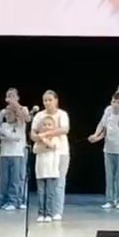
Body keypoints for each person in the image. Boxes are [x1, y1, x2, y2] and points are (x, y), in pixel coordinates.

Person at [31, 90, 71, 220]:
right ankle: (45, 211)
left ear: (56, 100)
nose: (47, 103)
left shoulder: (62, 114)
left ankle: (56, 211)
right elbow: (33, 133)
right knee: (44, 185)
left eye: (50, 100)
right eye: (45, 100)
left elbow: (64, 129)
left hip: (61, 151)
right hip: (44, 151)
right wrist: (38, 137)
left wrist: (46, 134)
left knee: (59, 182)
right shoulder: (39, 115)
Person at [0, 88, 32, 209]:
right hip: (4, 152)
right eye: (8, 96)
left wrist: (16, 106)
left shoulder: (23, 110)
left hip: (18, 152)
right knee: (3, 179)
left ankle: (15, 200)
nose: (10, 98)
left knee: (17, 178)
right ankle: (1, 200)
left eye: (13, 96)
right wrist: (2, 133)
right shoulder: (4, 112)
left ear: (18, 97)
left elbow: (27, 119)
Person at [33, 110, 61, 222]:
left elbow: (53, 147)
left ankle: (49, 214)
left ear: (54, 127)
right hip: (40, 171)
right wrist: (44, 144)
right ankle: (41, 213)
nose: (46, 127)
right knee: (41, 194)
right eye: (44, 125)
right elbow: (36, 150)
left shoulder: (56, 138)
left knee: (49, 194)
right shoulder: (38, 140)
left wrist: (43, 139)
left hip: (51, 171)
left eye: (49, 125)